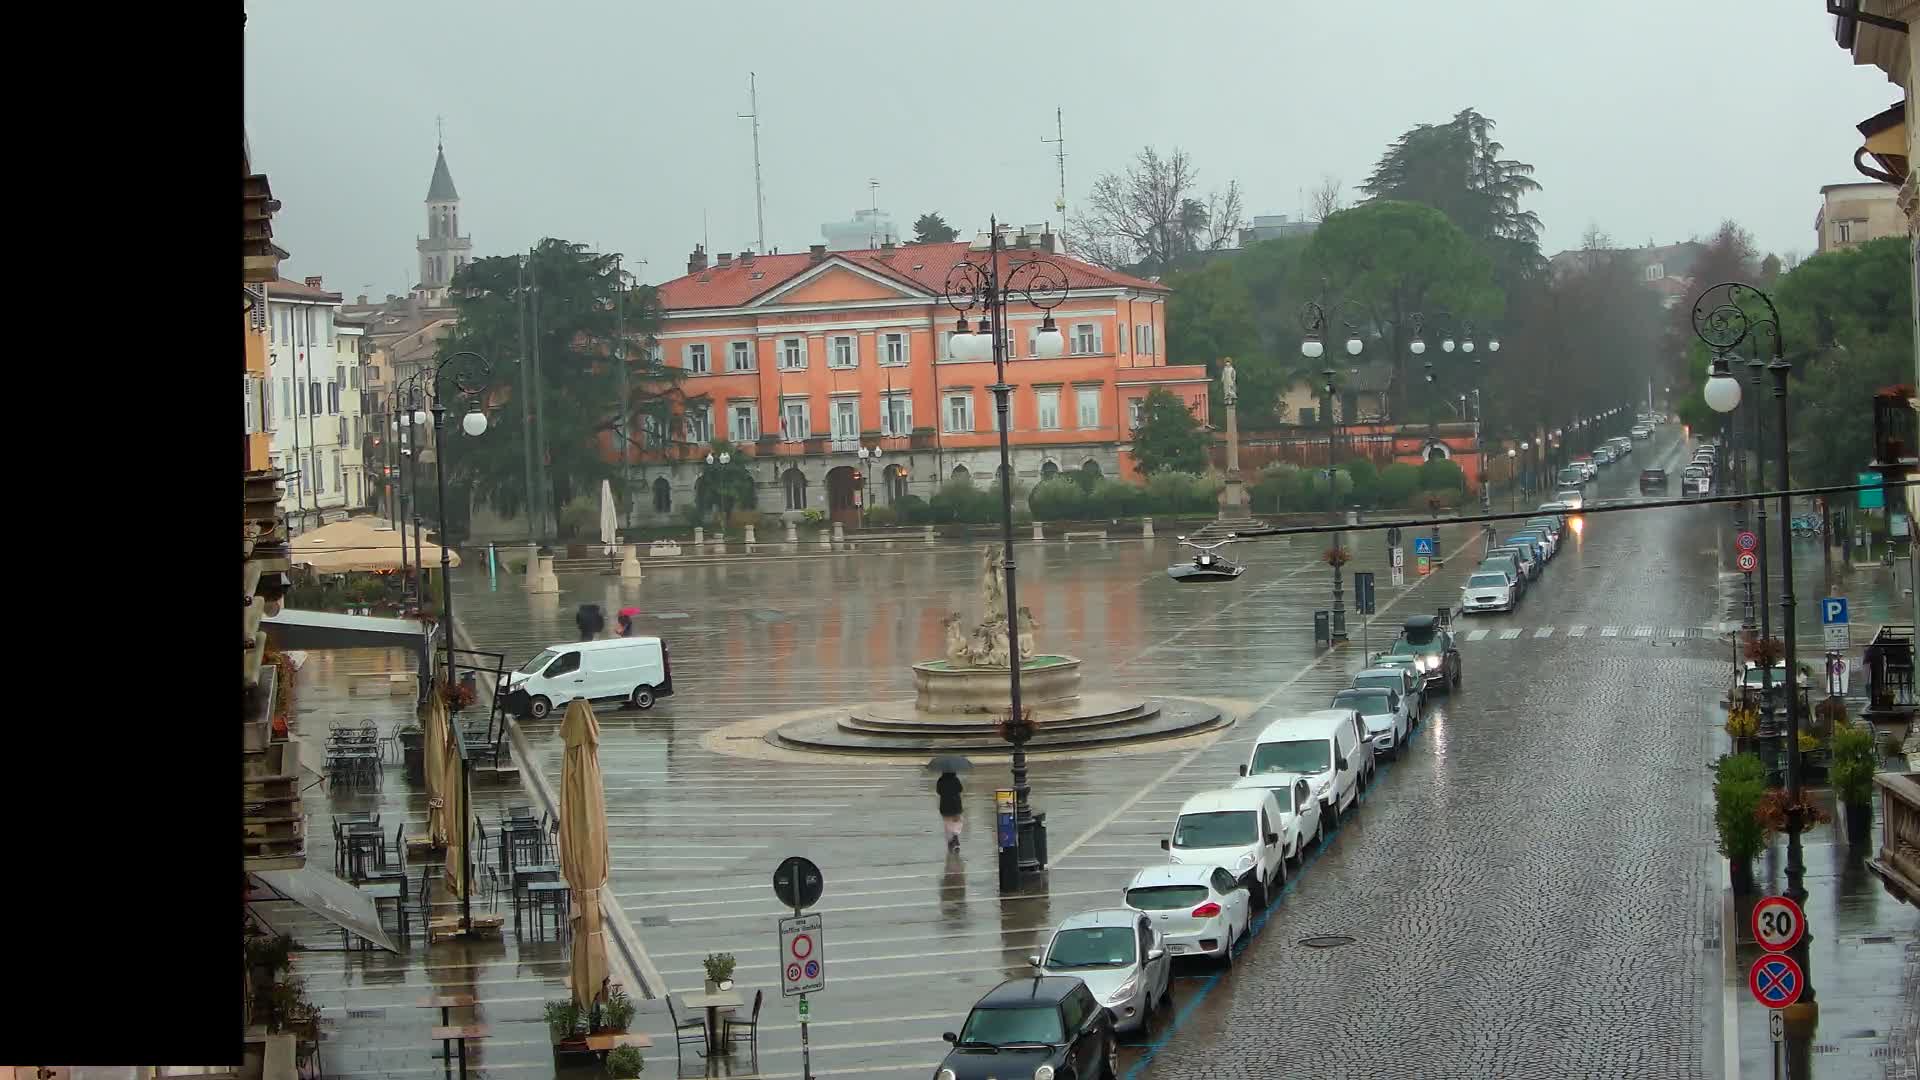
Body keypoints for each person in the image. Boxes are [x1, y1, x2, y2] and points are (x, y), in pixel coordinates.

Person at [936, 770, 964, 852]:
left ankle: (951, 840)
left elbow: (938, 791)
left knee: (947, 823)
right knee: (957, 821)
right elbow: (960, 789)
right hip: (956, 805)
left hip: (945, 805)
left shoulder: (941, 780)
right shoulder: (956, 779)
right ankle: (955, 835)